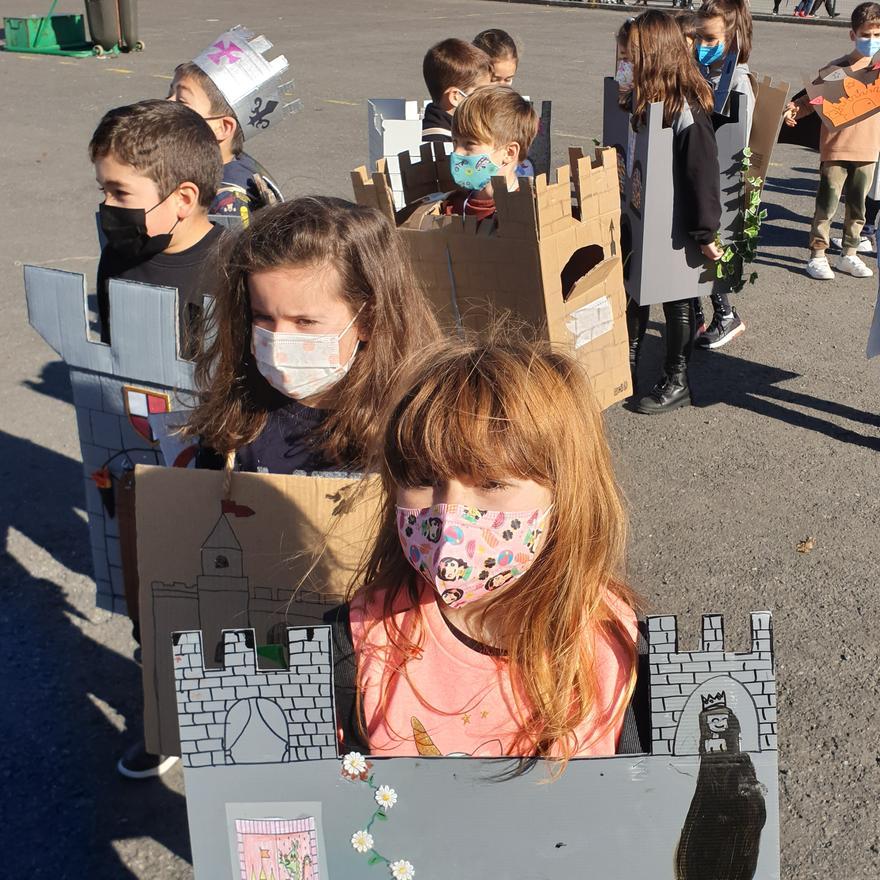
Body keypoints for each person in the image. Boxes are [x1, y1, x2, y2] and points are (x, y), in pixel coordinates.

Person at [341, 335, 643, 762]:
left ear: (566, 493)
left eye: (491, 483)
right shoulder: (359, 645)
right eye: (424, 479)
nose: (451, 514)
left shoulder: (613, 643)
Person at [186, 196, 441, 474]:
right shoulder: (236, 419)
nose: (278, 342)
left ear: (367, 319)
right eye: (263, 317)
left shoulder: (416, 425)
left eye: (304, 321)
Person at [619, 12, 722, 413]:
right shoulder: (645, 102)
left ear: (655, 57)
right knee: (635, 293)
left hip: (678, 226)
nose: (626, 63)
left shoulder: (687, 113)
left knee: (677, 300)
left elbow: (702, 176)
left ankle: (676, 380)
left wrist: (705, 233)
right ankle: (625, 368)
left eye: (633, 56)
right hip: (644, 218)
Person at [90, 99, 225, 351]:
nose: (107, 204)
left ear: (183, 199)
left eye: (120, 192)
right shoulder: (116, 258)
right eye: (103, 190)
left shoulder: (234, 269)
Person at [784, 2, 880, 280]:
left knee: (858, 207)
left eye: (876, 35)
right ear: (853, 35)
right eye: (865, 35)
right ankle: (817, 254)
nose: (871, 41)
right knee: (826, 204)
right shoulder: (838, 68)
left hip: (869, 148)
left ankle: (849, 254)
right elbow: (812, 100)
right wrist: (794, 110)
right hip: (836, 147)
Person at [691, 0, 753, 349]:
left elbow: (736, 143)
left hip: (719, 180)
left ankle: (726, 313)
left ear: (731, 40)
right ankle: (700, 314)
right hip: (702, 172)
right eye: (698, 37)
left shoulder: (738, 83)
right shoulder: (702, 72)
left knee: (712, 248)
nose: (702, 45)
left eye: (710, 39)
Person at [167, 61, 283, 222]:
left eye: (181, 101)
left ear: (223, 128)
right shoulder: (229, 163)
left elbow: (223, 247)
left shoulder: (228, 199)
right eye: (169, 94)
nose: (167, 103)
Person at [440, 85, 539, 224]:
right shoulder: (449, 206)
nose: (457, 152)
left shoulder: (528, 212)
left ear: (509, 152)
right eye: (455, 142)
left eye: (469, 144)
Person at [421, 38, 493, 143]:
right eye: (482, 93)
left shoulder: (461, 131)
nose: (488, 99)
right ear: (455, 97)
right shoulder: (443, 144)